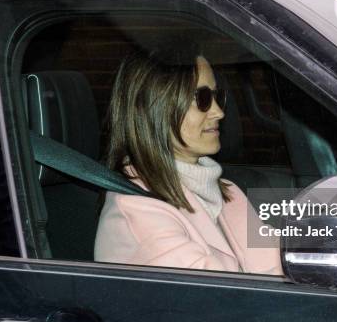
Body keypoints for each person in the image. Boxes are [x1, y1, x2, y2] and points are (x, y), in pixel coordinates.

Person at [94, 42, 282, 275]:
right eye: (202, 98)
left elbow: (277, 266)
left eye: (216, 96)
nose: (219, 112)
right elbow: (224, 300)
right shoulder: (137, 211)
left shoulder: (226, 192)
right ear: (156, 106)